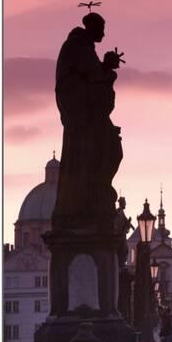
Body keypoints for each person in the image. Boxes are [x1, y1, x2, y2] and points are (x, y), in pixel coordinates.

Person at [52, 12, 125, 234]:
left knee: (111, 151)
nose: (104, 33)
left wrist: (105, 68)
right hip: (82, 118)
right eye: (102, 28)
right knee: (108, 151)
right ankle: (92, 198)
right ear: (92, 27)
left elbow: (94, 78)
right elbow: (93, 78)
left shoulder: (84, 47)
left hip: (87, 116)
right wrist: (108, 67)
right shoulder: (78, 46)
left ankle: (97, 194)